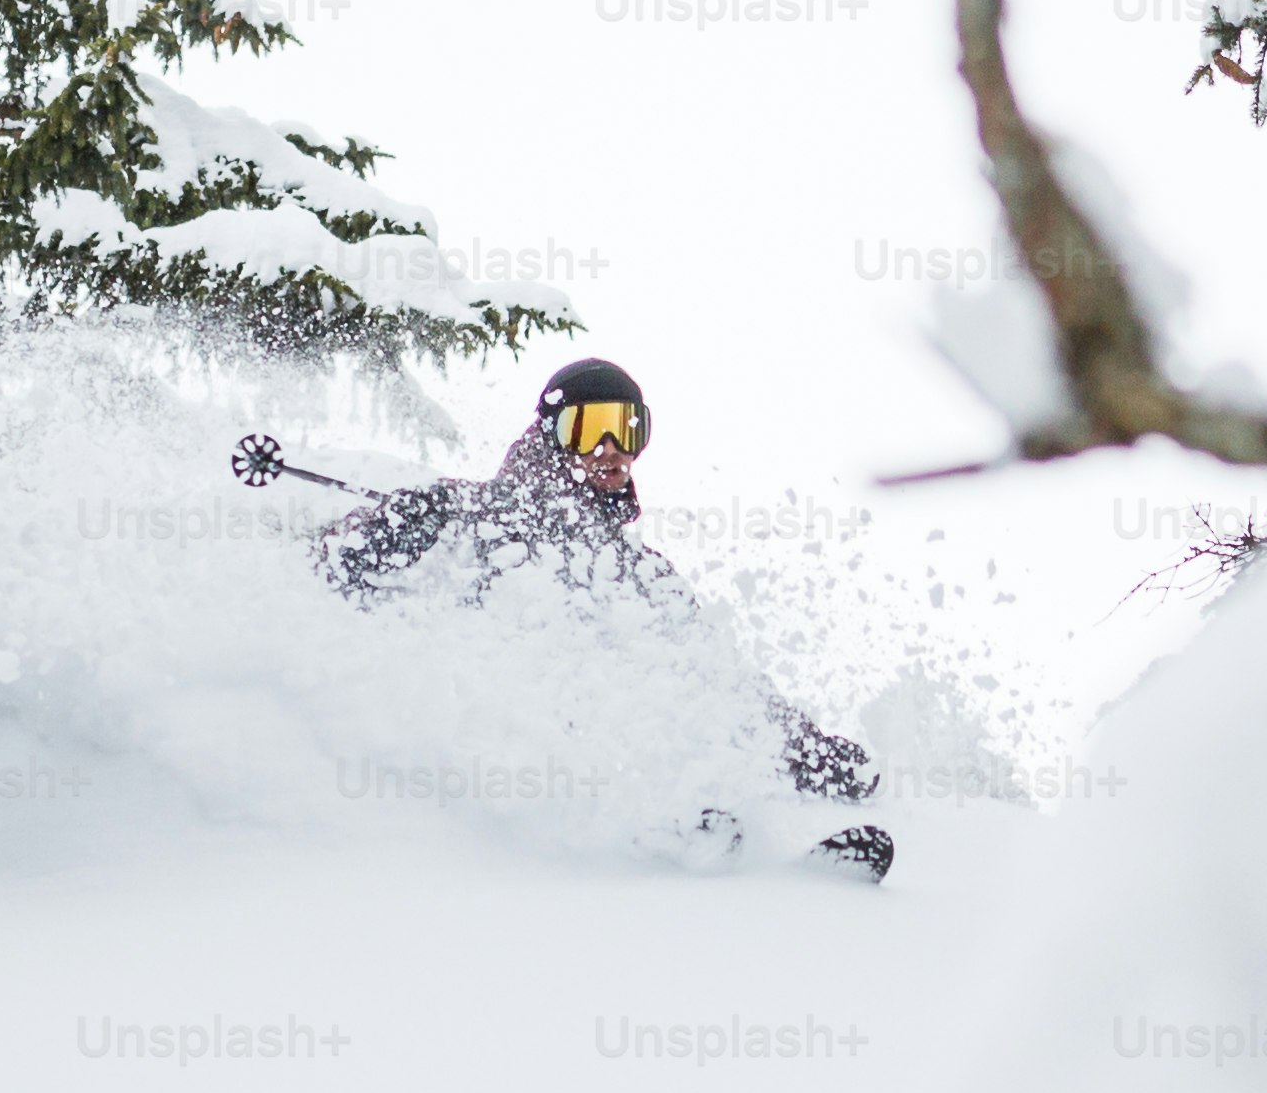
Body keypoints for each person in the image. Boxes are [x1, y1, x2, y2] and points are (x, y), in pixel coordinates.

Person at [312, 358, 895, 875]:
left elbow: (716, 675)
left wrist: (803, 749)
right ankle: (647, 829)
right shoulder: (473, 516)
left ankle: (760, 854)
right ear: (552, 436)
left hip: (628, 753)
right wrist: (395, 526)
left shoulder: (641, 573)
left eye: (627, 427)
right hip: (526, 756)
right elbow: (339, 569)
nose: (610, 447)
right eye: (588, 428)